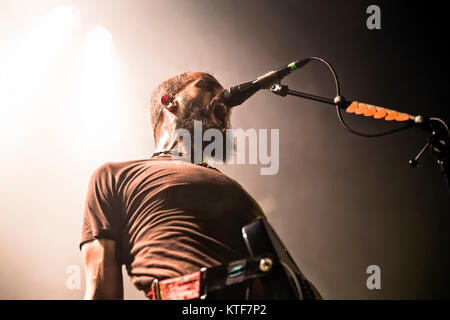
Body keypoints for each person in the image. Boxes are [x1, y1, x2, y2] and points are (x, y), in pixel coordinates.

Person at [80, 72, 270, 299]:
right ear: (168, 101)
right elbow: (101, 290)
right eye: (206, 86)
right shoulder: (113, 176)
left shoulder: (236, 189)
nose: (223, 96)